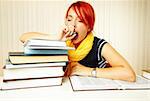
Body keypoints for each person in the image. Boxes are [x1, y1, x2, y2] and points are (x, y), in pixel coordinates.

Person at [20, 1, 136, 82]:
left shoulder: (99, 45)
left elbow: (129, 74)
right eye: (69, 19)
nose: (73, 25)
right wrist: (55, 38)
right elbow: (24, 37)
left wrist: (87, 71)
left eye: (80, 20)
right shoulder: (61, 41)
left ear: (89, 27)